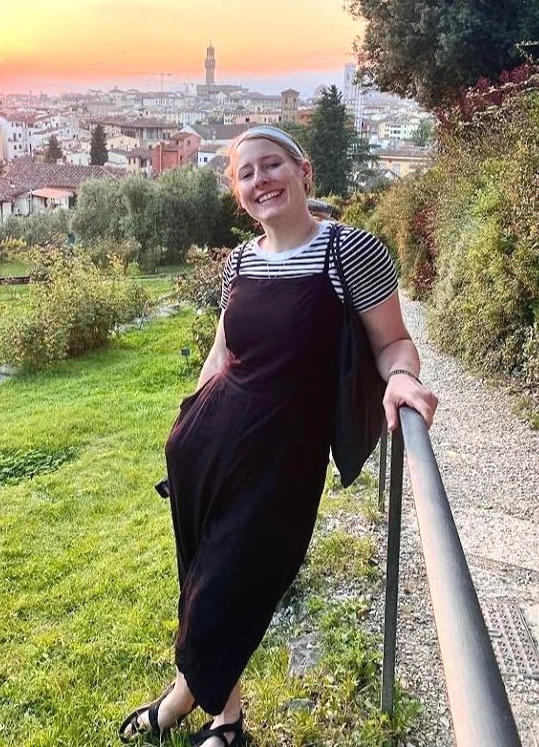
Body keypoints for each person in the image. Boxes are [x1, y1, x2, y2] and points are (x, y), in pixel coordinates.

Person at [119, 125, 438, 746]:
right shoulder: (239, 262)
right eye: (246, 173)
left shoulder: (351, 252)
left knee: (227, 587)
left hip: (283, 461)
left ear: (302, 172)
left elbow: (394, 341)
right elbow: (222, 353)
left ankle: (179, 701)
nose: (260, 180)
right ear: (236, 191)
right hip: (206, 446)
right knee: (199, 575)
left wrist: (400, 378)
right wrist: (189, 418)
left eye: (272, 166)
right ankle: (228, 720)